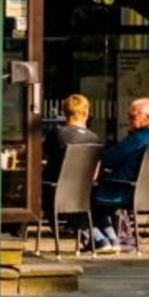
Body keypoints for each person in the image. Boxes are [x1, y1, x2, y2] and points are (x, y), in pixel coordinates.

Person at [91, 98, 149, 253]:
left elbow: (110, 157)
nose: (128, 119)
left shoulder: (139, 138)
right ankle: (116, 238)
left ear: (147, 117)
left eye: (132, 116)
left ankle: (101, 239)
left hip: (124, 191)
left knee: (83, 196)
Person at [43, 94, 104, 249]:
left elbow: (45, 153)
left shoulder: (58, 133)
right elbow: (96, 169)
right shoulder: (95, 138)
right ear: (86, 112)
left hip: (55, 188)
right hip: (84, 190)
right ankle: (96, 238)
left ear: (65, 111)